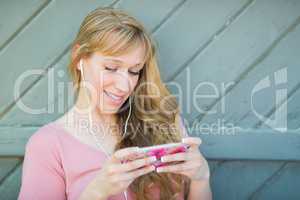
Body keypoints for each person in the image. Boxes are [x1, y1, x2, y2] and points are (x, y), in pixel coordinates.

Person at [18, 7, 212, 200]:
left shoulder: (165, 123)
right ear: (79, 58)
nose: (124, 85)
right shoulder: (48, 145)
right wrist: (96, 192)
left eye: (134, 71)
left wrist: (201, 178)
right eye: (111, 67)